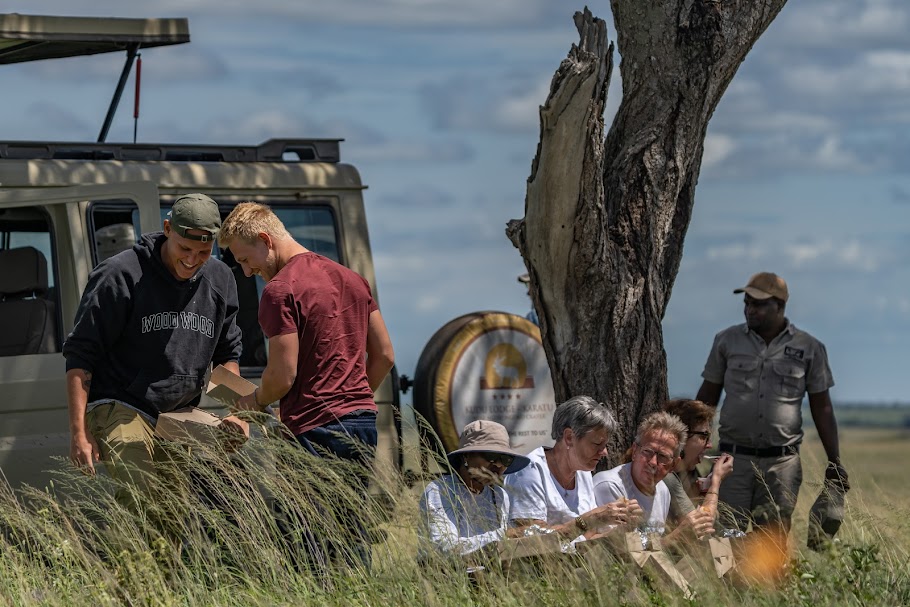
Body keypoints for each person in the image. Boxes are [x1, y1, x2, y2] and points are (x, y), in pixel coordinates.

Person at [218, 202, 394, 566]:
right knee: (350, 534)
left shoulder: (280, 291)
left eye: (246, 260)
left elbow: (283, 376)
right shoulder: (351, 278)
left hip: (314, 430)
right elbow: (385, 356)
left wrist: (252, 402)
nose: (248, 272)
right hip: (361, 423)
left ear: (266, 240)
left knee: (307, 541)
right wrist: (354, 398)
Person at [64, 193, 245, 506]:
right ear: (167, 229)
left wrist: (238, 414)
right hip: (120, 404)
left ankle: (139, 556)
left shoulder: (220, 278)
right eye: (185, 249)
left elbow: (226, 354)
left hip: (177, 412)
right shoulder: (119, 275)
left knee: (172, 513)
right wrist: (79, 433)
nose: (192, 259)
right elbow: (80, 356)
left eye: (203, 251)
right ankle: (130, 554)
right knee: (143, 495)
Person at [696, 272, 849, 532]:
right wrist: (691, 450)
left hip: (782, 465)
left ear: (779, 306)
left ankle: (768, 575)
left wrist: (834, 461)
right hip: (732, 461)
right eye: (746, 303)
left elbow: (822, 407)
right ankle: (724, 576)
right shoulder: (727, 340)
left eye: (758, 304)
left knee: (771, 544)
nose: (749, 310)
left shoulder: (809, 347)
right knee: (723, 537)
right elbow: (707, 397)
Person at [505, 396, 643, 540]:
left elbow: (587, 538)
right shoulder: (531, 469)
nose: (605, 452)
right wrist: (591, 519)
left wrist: (623, 528)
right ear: (569, 437)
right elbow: (534, 540)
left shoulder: (583, 472)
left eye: (605, 445)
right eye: (597, 444)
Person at [593, 411, 714, 542]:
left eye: (663, 456)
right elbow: (616, 553)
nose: (653, 462)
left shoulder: (662, 490)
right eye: (647, 452)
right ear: (634, 451)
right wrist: (678, 537)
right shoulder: (610, 485)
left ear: (674, 464)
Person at [419, 420, 530, 559]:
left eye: (506, 459)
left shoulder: (499, 495)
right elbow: (445, 547)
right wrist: (504, 534)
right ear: (466, 456)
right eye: (491, 456)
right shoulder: (440, 491)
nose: (499, 464)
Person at [662, 399, 734, 524]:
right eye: (703, 436)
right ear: (681, 437)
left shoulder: (688, 472)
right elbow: (701, 525)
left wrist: (705, 489)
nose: (709, 445)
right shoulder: (666, 476)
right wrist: (715, 482)